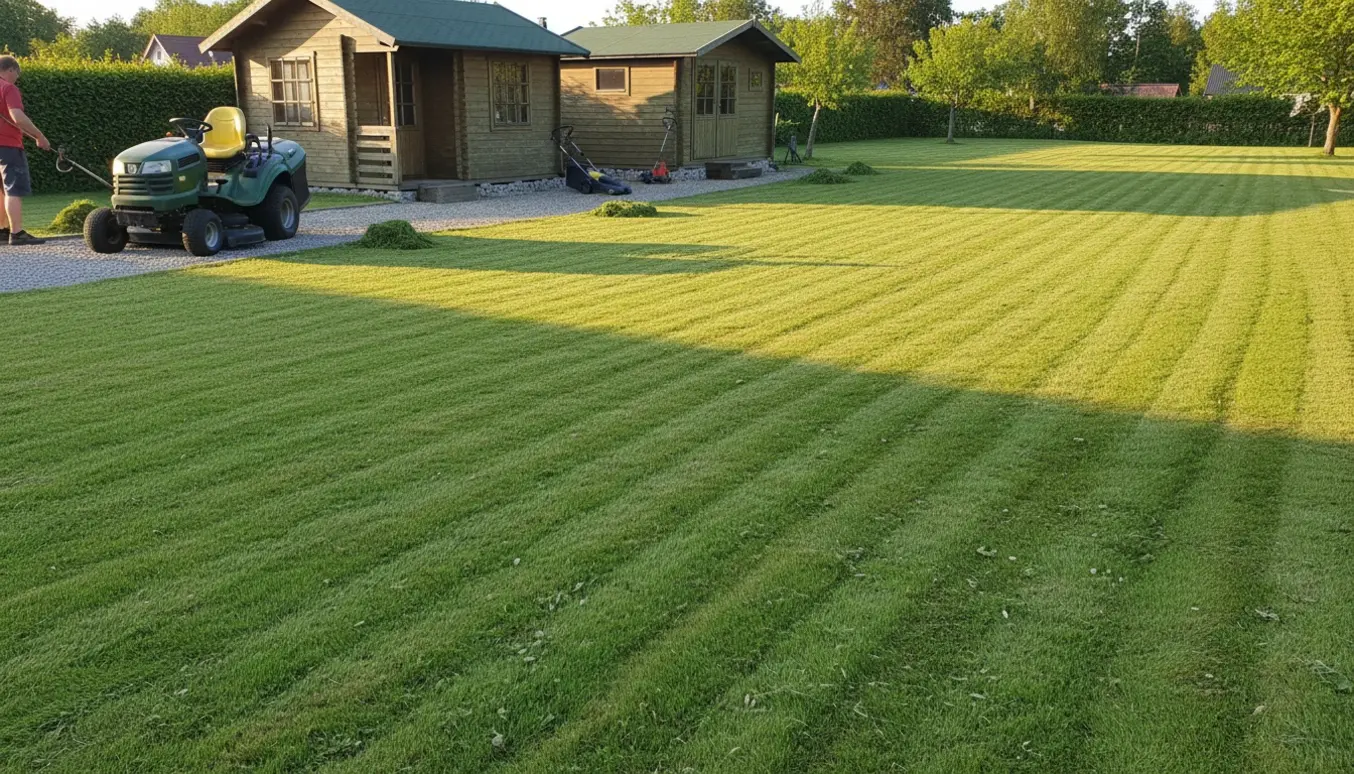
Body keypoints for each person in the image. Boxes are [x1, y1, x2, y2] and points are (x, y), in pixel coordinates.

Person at [0, 55, 50, 246]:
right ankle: (17, 233)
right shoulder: (8, 88)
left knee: (1, 190)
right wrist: (40, 136)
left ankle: (2, 230)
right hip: (8, 146)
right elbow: (17, 117)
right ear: (10, 69)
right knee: (13, 189)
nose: (17, 77)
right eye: (17, 73)